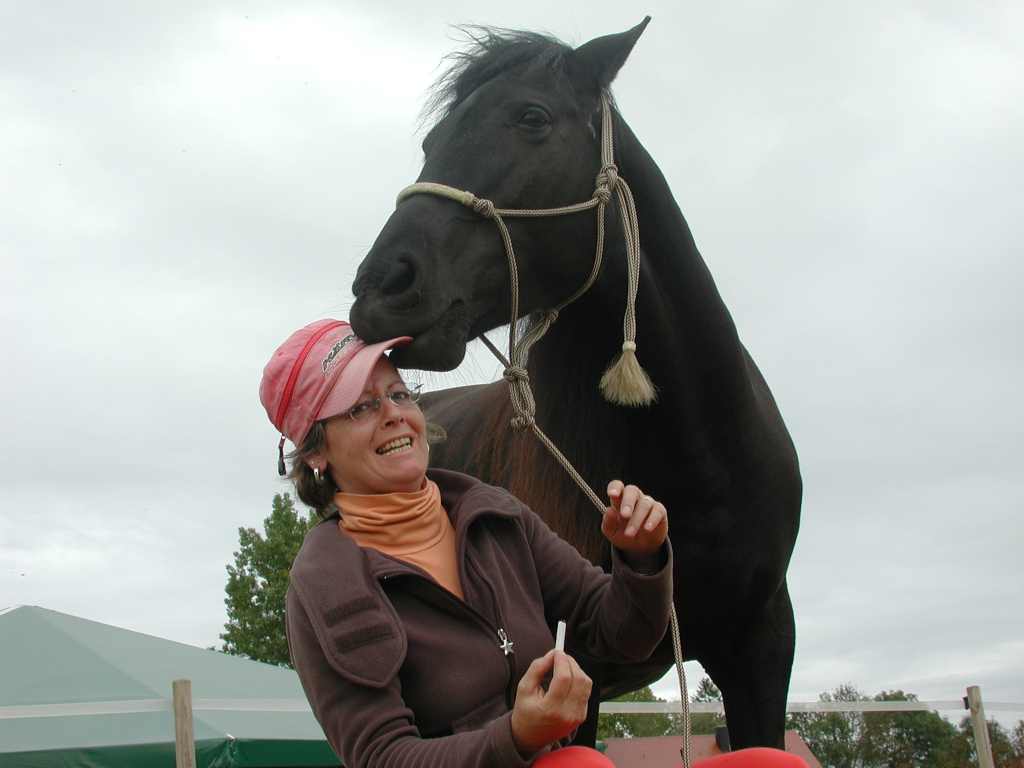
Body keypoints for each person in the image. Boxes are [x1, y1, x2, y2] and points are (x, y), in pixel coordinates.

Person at [260, 319, 807, 768]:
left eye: (399, 393)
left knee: (773, 765)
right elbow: (384, 758)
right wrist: (516, 737)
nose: (394, 415)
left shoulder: (493, 514)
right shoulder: (330, 583)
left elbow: (621, 632)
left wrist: (641, 559)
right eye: (360, 407)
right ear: (315, 451)